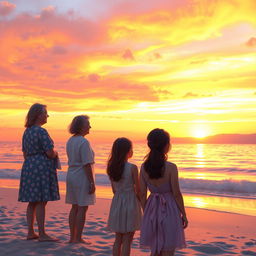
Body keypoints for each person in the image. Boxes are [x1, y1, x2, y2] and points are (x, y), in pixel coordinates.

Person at [140, 128, 188, 256]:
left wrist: (147, 211)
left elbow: (142, 194)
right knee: (168, 249)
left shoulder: (144, 167)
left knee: (154, 248)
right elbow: (176, 194)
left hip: (151, 208)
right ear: (166, 145)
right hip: (169, 208)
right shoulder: (171, 167)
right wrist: (184, 214)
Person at [18, 103, 60, 242]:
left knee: (32, 201)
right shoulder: (41, 131)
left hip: (29, 166)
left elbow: (25, 153)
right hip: (41, 167)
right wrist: (55, 153)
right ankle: (42, 234)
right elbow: (49, 152)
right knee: (42, 201)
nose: (47, 115)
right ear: (37, 115)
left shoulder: (27, 131)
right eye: (45, 113)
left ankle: (30, 232)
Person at [107, 138, 142, 256]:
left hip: (117, 202)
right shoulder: (132, 167)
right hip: (130, 202)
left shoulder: (111, 167)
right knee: (128, 239)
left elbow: (114, 190)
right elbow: (138, 190)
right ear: (128, 151)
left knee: (118, 238)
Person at [65, 115, 96, 243]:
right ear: (81, 126)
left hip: (71, 175)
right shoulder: (84, 142)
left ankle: (73, 237)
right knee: (82, 208)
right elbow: (87, 163)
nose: (90, 126)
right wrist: (91, 182)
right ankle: (78, 238)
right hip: (81, 176)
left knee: (74, 207)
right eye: (87, 124)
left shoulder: (70, 140)